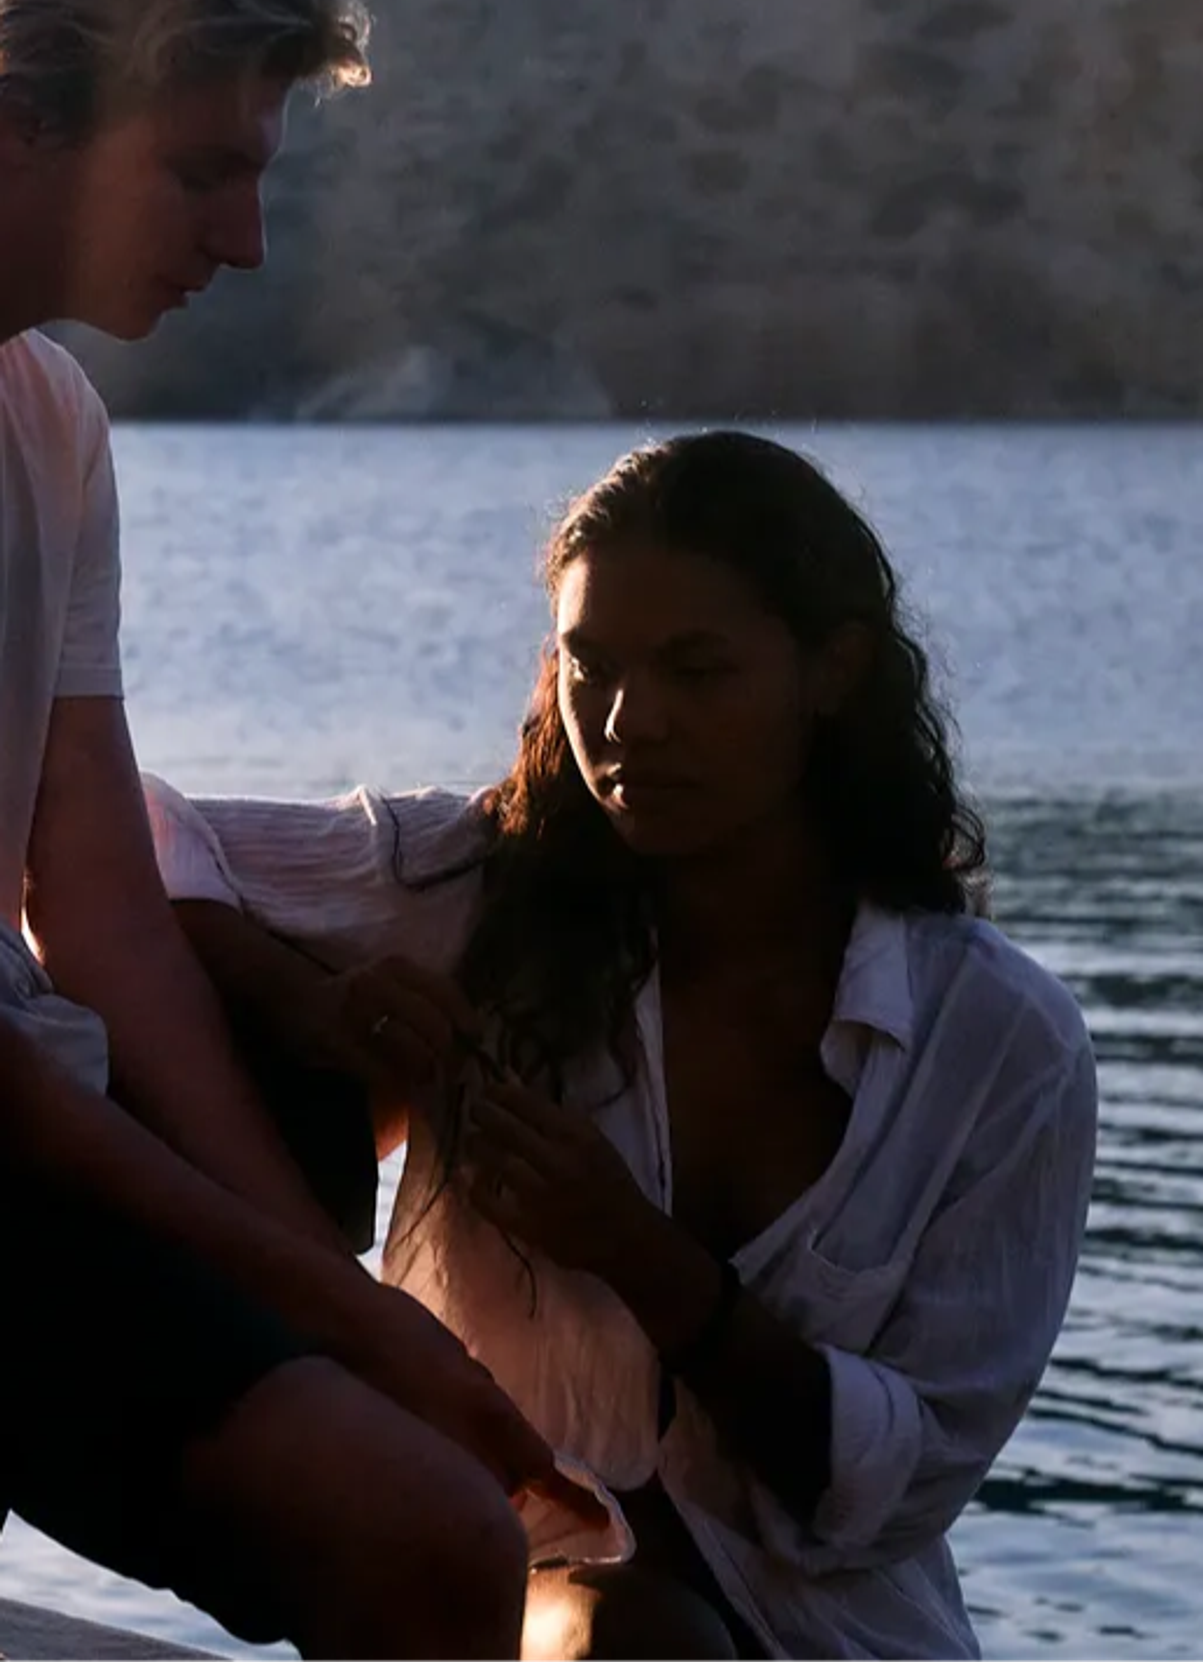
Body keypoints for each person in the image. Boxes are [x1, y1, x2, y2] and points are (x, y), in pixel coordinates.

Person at [144, 429, 1099, 1662]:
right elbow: (120, 829)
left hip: (849, 1635)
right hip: (523, 1594)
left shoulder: (1001, 1043)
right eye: (590, 666)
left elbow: (900, 1483)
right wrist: (309, 1008)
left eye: (697, 669)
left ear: (834, 668)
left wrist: (631, 1249)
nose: (629, 722)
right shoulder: (478, 890)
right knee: (635, 1641)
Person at [0, 0, 576, 1662]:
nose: (244, 242)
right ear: (26, 110)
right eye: (198, 171)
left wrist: (334, 1296)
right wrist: (340, 1311)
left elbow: (96, 901)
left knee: (431, 1546)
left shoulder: (50, 430)